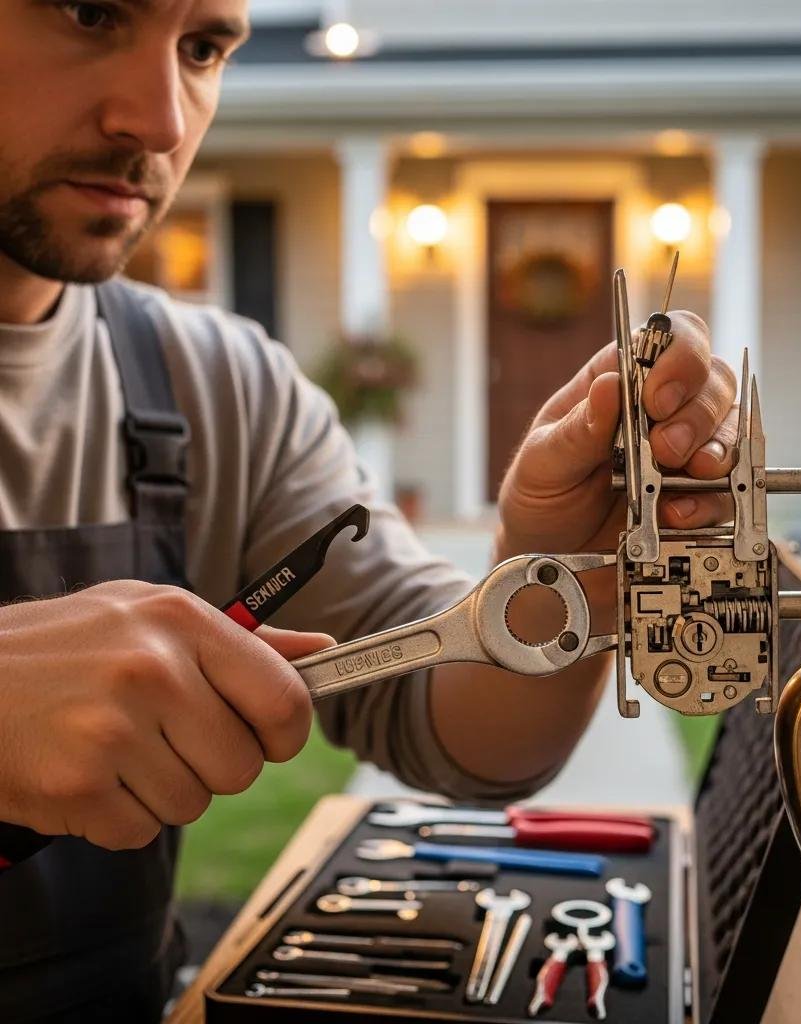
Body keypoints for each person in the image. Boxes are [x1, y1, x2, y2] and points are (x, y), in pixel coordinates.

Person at [0, 1, 737, 1020]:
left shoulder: (219, 386)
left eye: (204, 48)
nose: (162, 118)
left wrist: (559, 564)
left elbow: (462, 733)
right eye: (91, 12)